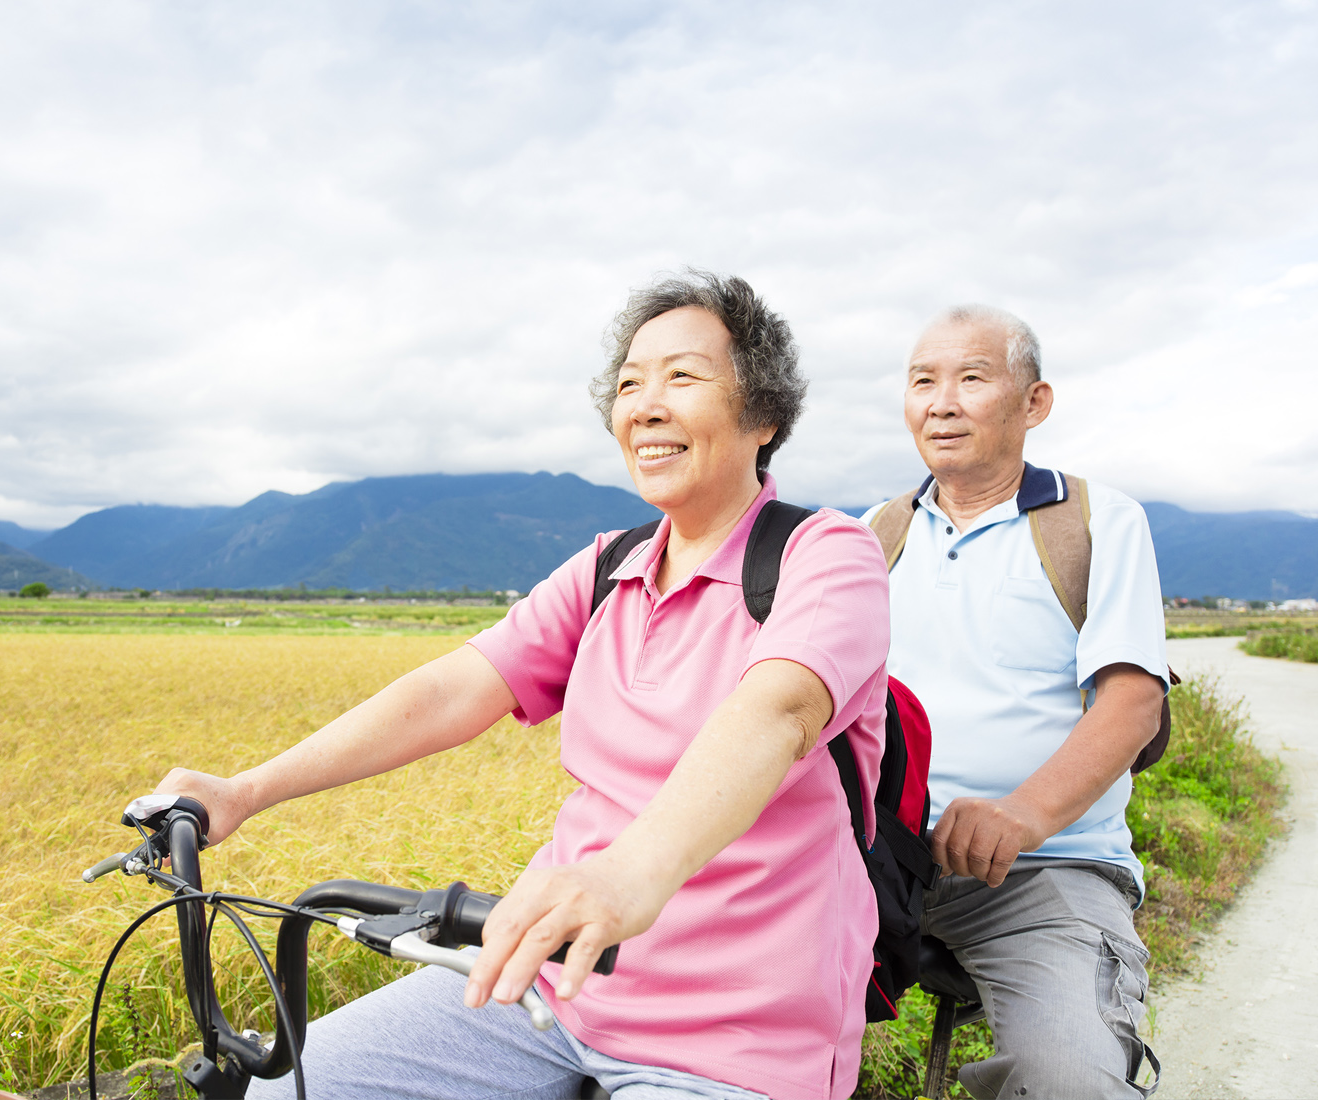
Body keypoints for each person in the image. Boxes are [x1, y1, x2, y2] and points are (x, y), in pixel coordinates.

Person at [149, 271, 892, 1100]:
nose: (645, 404)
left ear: (765, 416)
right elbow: (454, 690)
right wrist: (247, 790)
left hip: (735, 1030)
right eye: (628, 384)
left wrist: (624, 876)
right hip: (548, 980)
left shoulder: (826, 555)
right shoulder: (611, 567)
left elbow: (776, 713)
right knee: (287, 1087)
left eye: (682, 376)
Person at [863, 305, 1167, 1099]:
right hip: (872, 860)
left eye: (971, 378)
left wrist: (1021, 816)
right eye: (922, 381)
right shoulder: (872, 535)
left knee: (1070, 1080)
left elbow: (1132, 706)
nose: (941, 402)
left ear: (1034, 403)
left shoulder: (1096, 522)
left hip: (1043, 871)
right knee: (719, 1022)